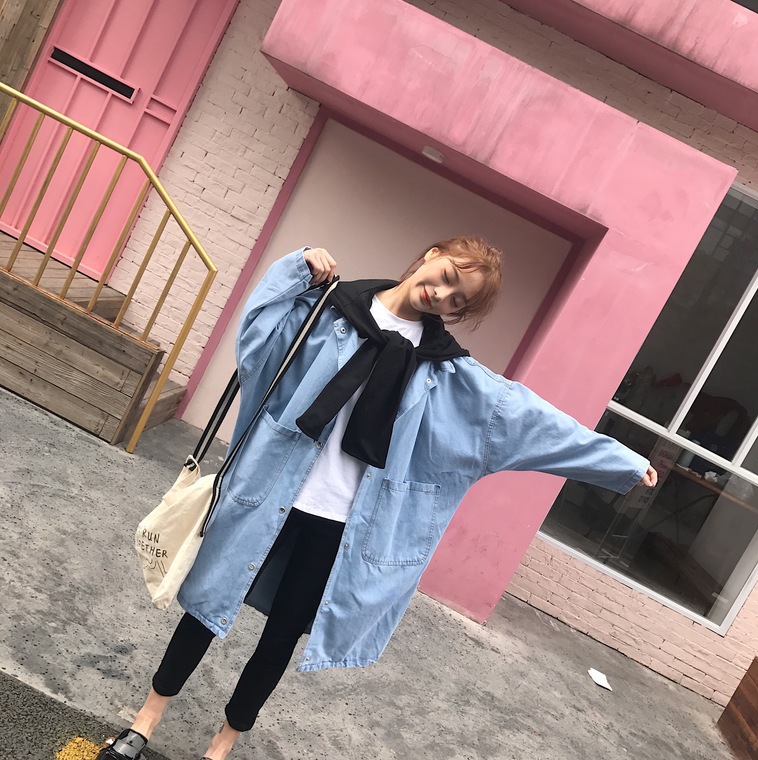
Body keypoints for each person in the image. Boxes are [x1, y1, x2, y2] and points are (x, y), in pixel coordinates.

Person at [99, 238, 657, 760]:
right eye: (446, 276)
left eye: (457, 300)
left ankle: (221, 747)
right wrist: (297, 268)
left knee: (280, 637)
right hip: (269, 490)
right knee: (206, 601)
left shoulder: (446, 372)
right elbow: (257, 338)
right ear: (431, 255)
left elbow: (526, 419)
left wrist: (621, 461)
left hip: (340, 520)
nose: (441, 295)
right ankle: (146, 720)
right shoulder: (330, 308)